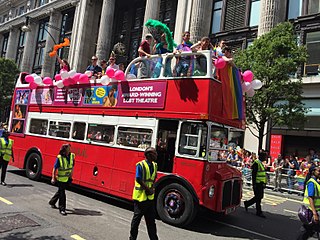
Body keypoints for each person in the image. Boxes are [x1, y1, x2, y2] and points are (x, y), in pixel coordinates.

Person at [129, 147, 158, 240]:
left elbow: (154, 177)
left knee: (151, 222)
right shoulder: (140, 165)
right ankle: (132, 238)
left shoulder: (154, 165)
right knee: (136, 220)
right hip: (140, 198)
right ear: (149, 155)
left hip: (150, 198)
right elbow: (138, 178)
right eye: (154, 153)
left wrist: (152, 188)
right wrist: (147, 189)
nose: (156, 155)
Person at [49, 144, 75, 216]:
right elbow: (55, 168)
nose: (70, 150)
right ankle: (62, 209)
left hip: (67, 178)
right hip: (60, 179)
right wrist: (53, 178)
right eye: (68, 149)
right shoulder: (59, 157)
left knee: (60, 192)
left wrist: (71, 177)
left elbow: (72, 167)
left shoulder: (72, 156)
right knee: (62, 194)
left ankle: (52, 202)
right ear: (64, 150)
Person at [297, 165, 320, 240]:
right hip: (311, 211)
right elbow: (310, 198)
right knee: (307, 231)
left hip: (315, 211)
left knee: (307, 231)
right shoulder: (311, 183)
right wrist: (314, 214)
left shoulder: (316, 181)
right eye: (318, 171)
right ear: (313, 172)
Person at [244, 151, 267, 218]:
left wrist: (264, 183)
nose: (265, 158)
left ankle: (247, 203)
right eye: (264, 157)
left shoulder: (260, 163)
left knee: (259, 197)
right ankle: (259, 212)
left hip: (261, 183)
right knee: (259, 198)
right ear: (261, 157)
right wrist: (254, 185)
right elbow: (253, 175)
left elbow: (262, 174)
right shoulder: (256, 163)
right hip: (257, 184)